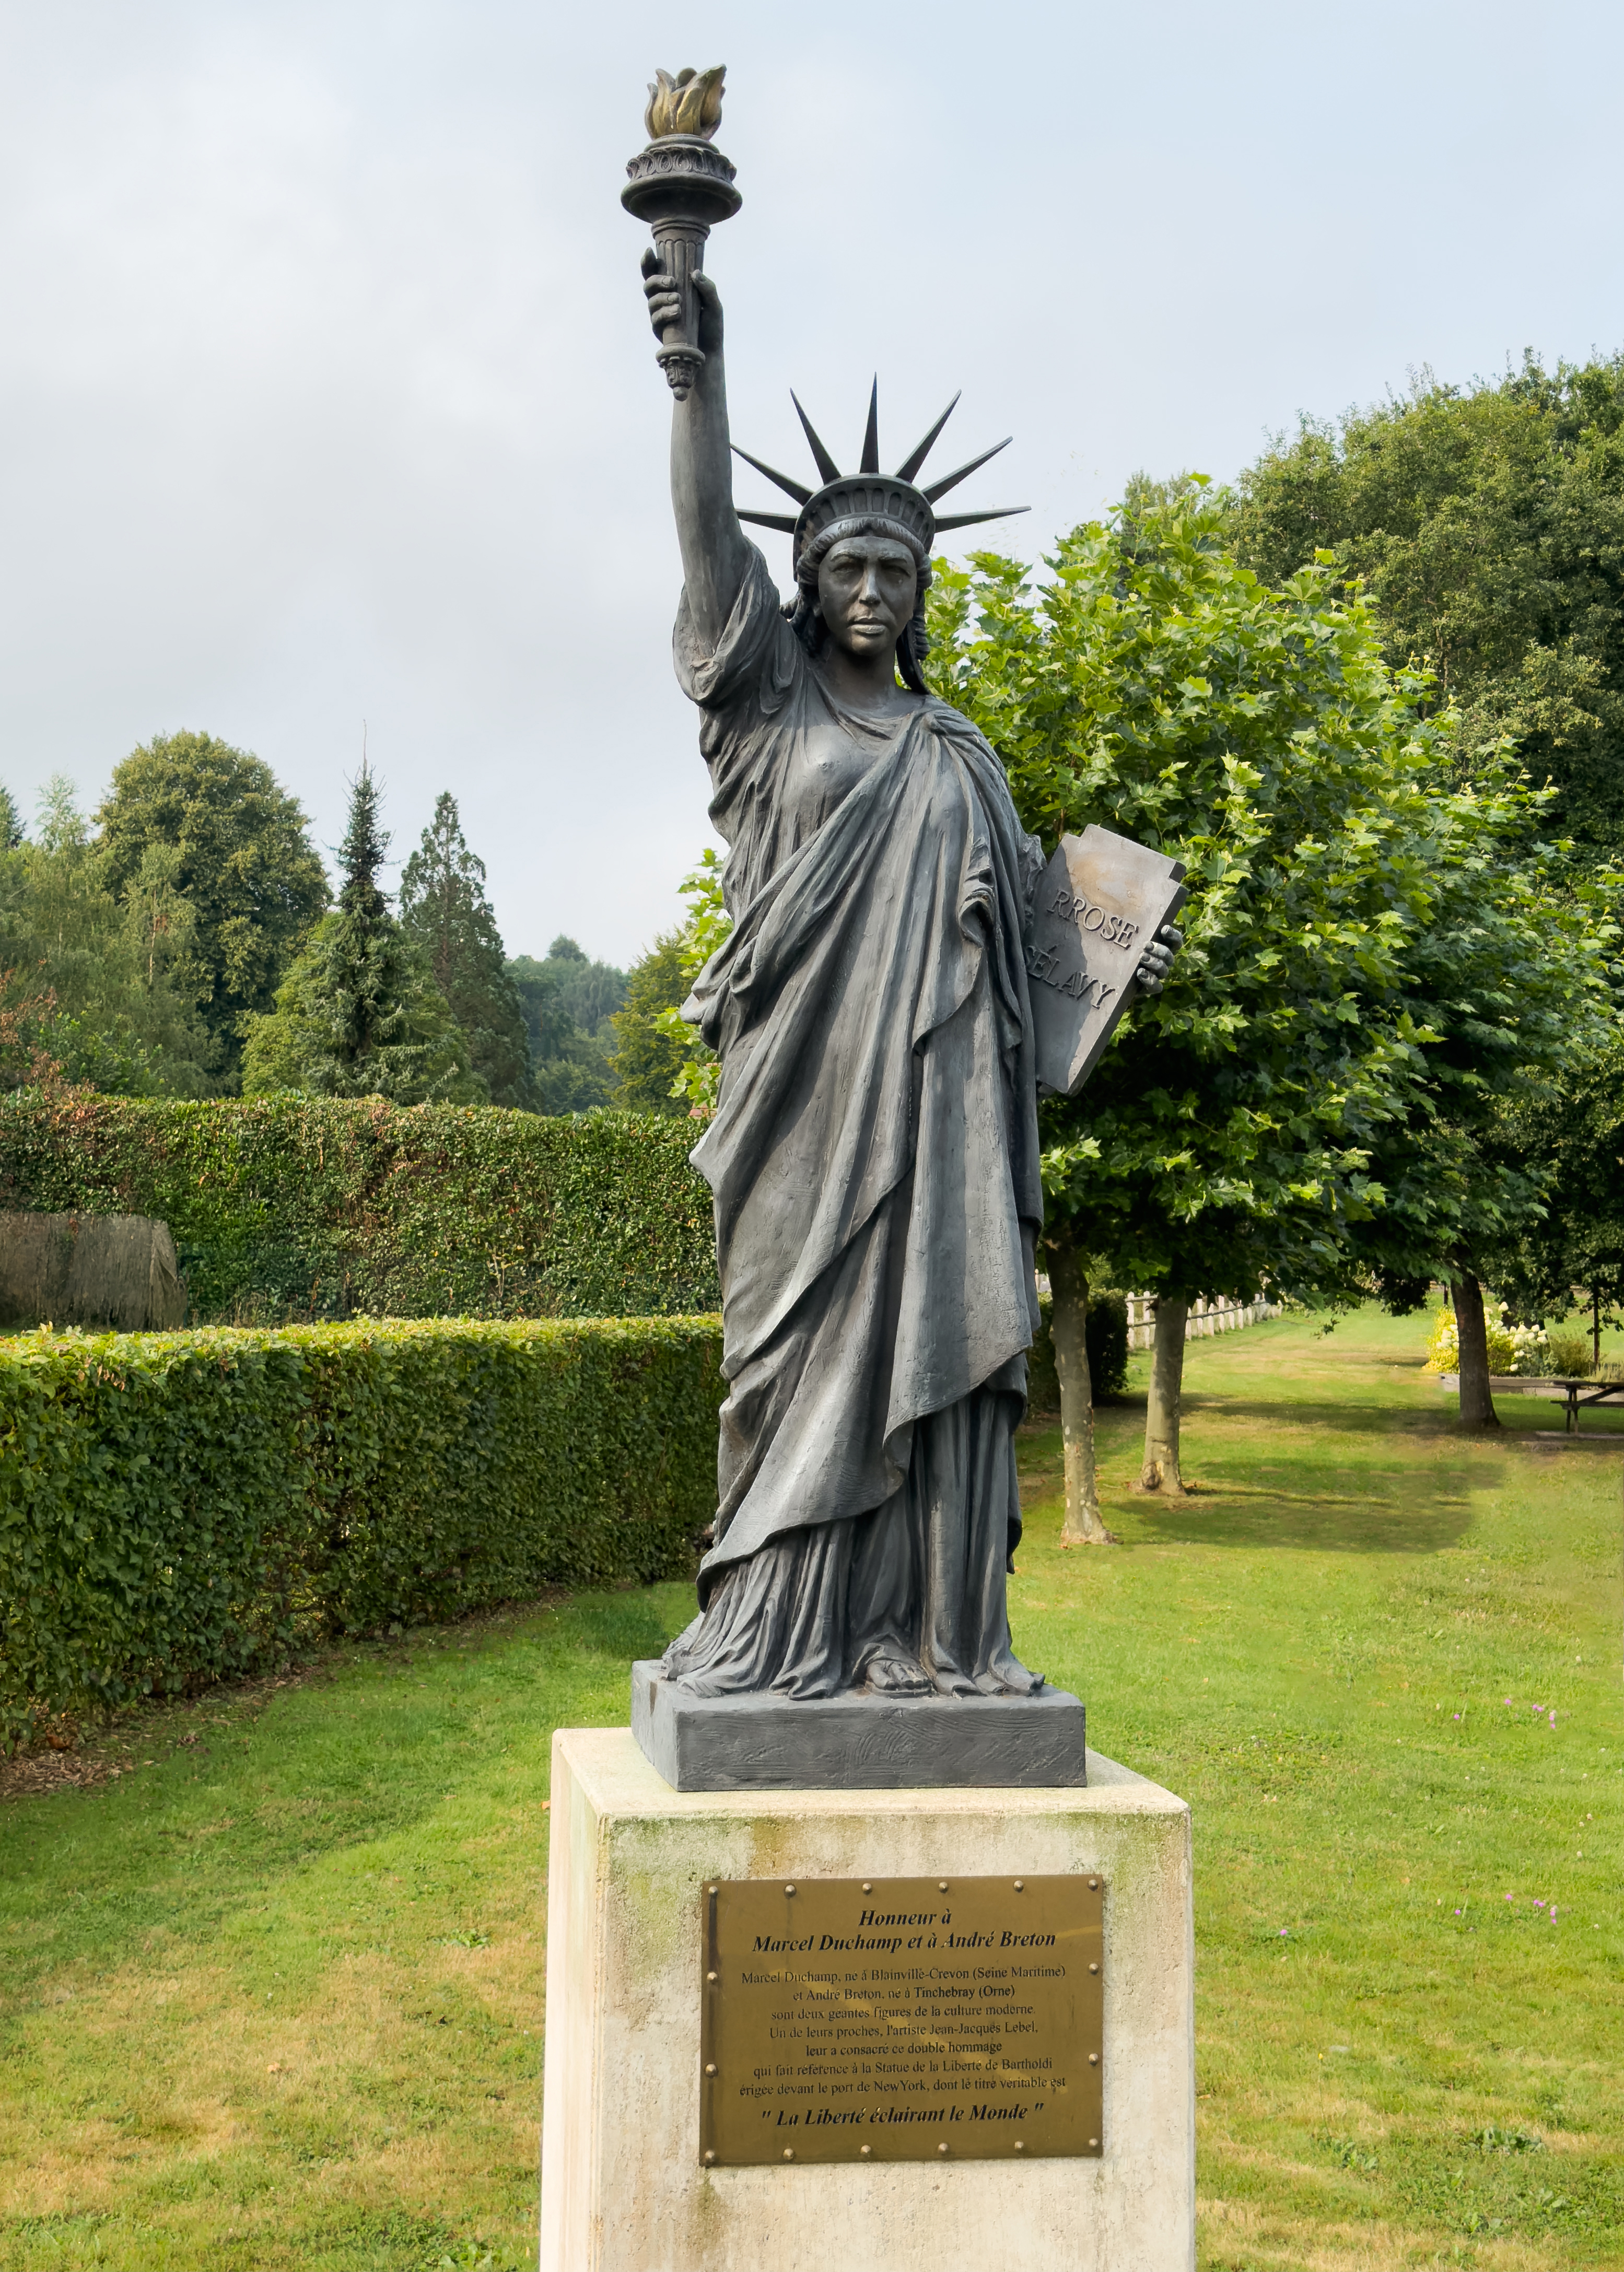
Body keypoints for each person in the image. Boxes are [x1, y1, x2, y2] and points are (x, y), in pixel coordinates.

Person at [640, 251, 1177, 1703]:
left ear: (922, 590)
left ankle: (937, 1639)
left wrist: (1098, 961)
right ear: (807, 586)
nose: (872, 590)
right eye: (847, 568)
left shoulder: (959, 755)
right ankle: (777, 1633)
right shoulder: (765, 707)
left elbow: (1024, 968)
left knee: (939, 1360)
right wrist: (696, 371)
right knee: (785, 1365)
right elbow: (703, 544)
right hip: (802, 1118)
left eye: (897, 571)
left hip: (941, 1128)